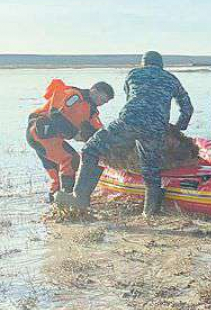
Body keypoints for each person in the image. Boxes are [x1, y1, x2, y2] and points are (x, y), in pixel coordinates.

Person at [56, 51, 193, 216]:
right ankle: (150, 212)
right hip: (156, 128)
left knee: (90, 149)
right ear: (161, 65)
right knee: (150, 169)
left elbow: (131, 98)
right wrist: (178, 127)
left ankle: (80, 199)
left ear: (143, 63)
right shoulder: (171, 79)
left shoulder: (134, 74)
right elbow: (187, 108)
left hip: (129, 121)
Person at [27, 79, 114, 202]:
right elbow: (55, 114)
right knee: (71, 159)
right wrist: (75, 134)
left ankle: (55, 202)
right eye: (103, 99)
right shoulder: (74, 95)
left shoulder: (91, 112)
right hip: (41, 131)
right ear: (94, 91)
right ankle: (68, 196)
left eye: (105, 102)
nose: (102, 103)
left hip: (52, 138)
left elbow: (99, 133)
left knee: (56, 172)